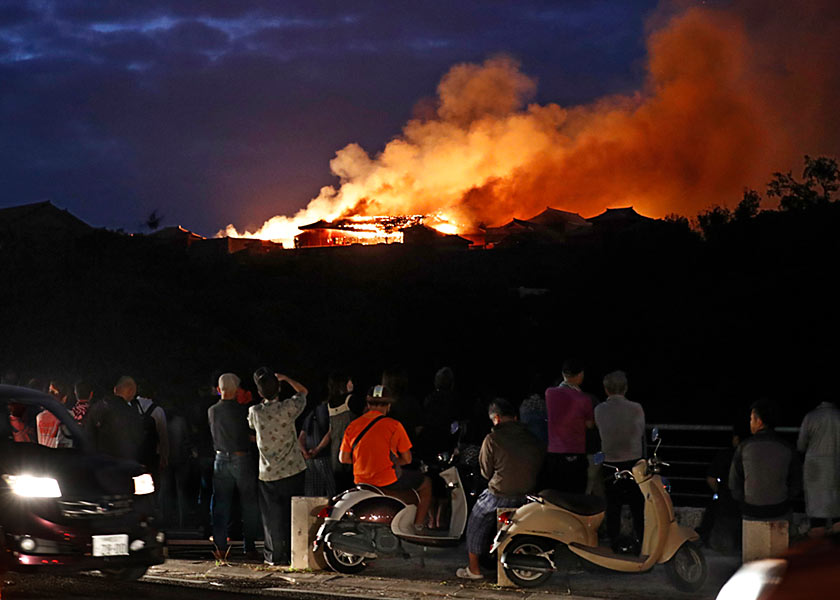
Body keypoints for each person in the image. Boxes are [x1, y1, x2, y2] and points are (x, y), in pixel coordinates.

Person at [456, 398, 544, 580]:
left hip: (501, 493)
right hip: (528, 494)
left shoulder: (493, 438)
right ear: (515, 417)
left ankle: (474, 570)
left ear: (496, 418)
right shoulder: (531, 437)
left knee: (475, 522)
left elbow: (486, 472)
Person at [339, 385, 432, 532]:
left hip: (361, 481)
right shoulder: (394, 426)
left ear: (368, 404)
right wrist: (388, 462)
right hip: (387, 480)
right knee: (426, 483)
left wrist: (364, 460)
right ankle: (419, 526)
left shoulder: (353, 426)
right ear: (388, 406)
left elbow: (343, 459)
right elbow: (407, 459)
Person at [248, 368, 307, 566]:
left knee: (271, 518)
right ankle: (294, 554)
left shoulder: (255, 412)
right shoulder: (288, 408)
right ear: (279, 388)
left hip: (268, 472)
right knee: (293, 513)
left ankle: (273, 555)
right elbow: (303, 392)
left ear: (259, 393)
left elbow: (250, 426)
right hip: (293, 469)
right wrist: (287, 377)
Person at [209, 373, 260, 561]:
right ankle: (249, 546)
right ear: (236, 389)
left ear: (219, 389)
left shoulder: (212, 411)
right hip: (241, 457)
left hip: (220, 458)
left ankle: (221, 547)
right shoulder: (242, 411)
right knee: (249, 504)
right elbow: (248, 435)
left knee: (221, 504)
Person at [594, 370, 645, 553]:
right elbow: (640, 434)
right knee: (638, 506)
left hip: (610, 463)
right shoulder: (636, 408)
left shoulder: (599, 410)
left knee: (613, 505)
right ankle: (642, 540)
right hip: (634, 463)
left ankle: (614, 542)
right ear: (626, 388)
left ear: (606, 389)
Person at [730, 399, 801, 523]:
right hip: (780, 509)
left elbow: (734, 483)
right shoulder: (786, 448)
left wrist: (745, 500)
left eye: (751, 419)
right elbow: (796, 483)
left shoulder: (744, 447)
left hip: (751, 510)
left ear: (759, 421)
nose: (750, 423)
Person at [544, 359, 594, 493]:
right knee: (576, 493)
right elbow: (589, 424)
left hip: (554, 452)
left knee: (557, 492)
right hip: (576, 451)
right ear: (580, 375)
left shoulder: (549, 393)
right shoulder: (583, 399)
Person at [797, 400, 840, 533]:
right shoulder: (838, 416)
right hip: (836, 466)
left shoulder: (811, 417)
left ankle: (818, 542)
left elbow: (801, 445)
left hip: (815, 469)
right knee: (836, 508)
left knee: (816, 510)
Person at [85, 376, 145, 462]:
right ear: (131, 391)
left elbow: (88, 435)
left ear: (115, 389)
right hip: (123, 464)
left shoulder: (97, 407)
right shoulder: (131, 413)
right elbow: (138, 440)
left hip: (98, 463)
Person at [298, 394, 335, 497]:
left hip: (313, 457)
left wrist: (306, 452)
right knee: (328, 490)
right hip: (319, 457)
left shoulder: (310, 412)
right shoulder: (325, 411)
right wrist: (315, 450)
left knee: (314, 492)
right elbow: (331, 432)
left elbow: (301, 437)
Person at [327, 372, 359, 492]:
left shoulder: (330, 403)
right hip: (351, 450)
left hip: (335, 451)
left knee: (340, 490)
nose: (351, 384)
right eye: (349, 381)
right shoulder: (350, 400)